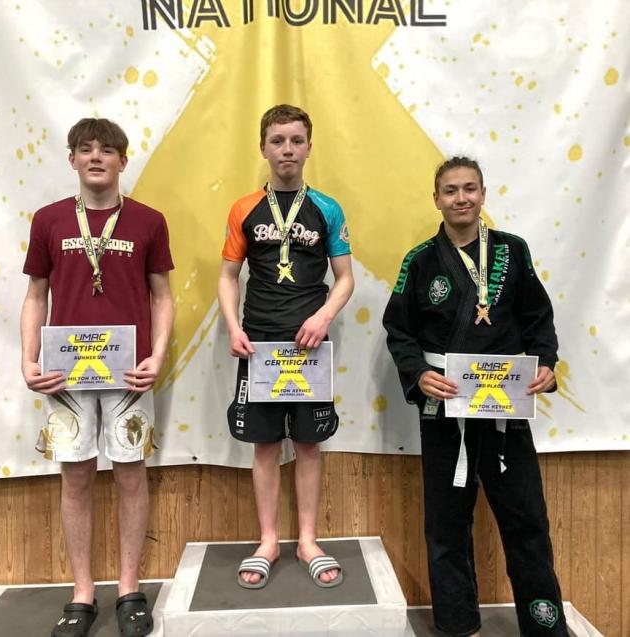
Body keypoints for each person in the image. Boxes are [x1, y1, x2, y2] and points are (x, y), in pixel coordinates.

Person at [382, 157, 569, 636]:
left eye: (469, 188)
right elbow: (399, 330)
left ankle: (545, 626)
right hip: (446, 407)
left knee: (526, 520)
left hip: (506, 406)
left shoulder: (513, 250)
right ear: (437, 199)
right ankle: (458, 626)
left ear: (483, 194)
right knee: (446, 526)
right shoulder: (419, 260)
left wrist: (546, 362)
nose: (460, 198)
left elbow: (538, 318)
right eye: (450, 190)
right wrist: (419, 373)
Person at [21, 118, 174, 637]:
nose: (95, 157)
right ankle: (82, 591)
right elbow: (35, 295)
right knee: (76, 477)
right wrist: (28, 360)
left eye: (106, 150)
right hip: (64, 375)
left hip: (129, 372)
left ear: (122, 161)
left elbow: (162, 296)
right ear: (72, 160)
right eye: (85, 149)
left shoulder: (149, 221)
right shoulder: (48, 220)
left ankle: (130, 589)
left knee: (131, 475)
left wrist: (158, 355)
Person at [218, 104, 354, 589]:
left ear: (309, 147)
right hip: (259, 345)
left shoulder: (328, 209)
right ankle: (269, 541)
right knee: (265, 445)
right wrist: (233, 327)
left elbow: (345, 278)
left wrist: (323, 316)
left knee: (309, 444)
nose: (287, 149)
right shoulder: (243, 209)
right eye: (277, 141)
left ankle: (309, 541)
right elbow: (228, 276)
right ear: (263, 148)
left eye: (296, 140)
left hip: (309, 347)